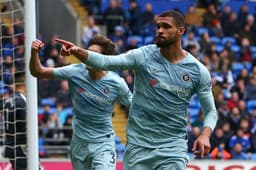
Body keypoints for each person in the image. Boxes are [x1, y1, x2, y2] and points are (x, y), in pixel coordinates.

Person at [56, 10, 217, 170]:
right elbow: (106, 62)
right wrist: (78, 51)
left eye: (166, 26)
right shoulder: (143, 55)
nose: (160, 30)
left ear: (181, 31)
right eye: (158, 26)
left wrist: (205, 134)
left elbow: (210, 111)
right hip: (138, 147)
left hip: (172, 148)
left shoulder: (197, 71)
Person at [30, 36, 132, 170]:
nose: (87, 56)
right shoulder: (75, 71)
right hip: (79, 144)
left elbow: (135, 107)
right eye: (87, 52)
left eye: (93, 54)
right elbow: (38, 71)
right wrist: (34, 52)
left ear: (103, 59)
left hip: (103, 144)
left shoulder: (117, 83)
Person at [4, 71, 27, 169]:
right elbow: (25, 126)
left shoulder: (9, 99)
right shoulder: (20, 101)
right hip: (20, 148)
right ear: (24, 84)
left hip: (11, 146)